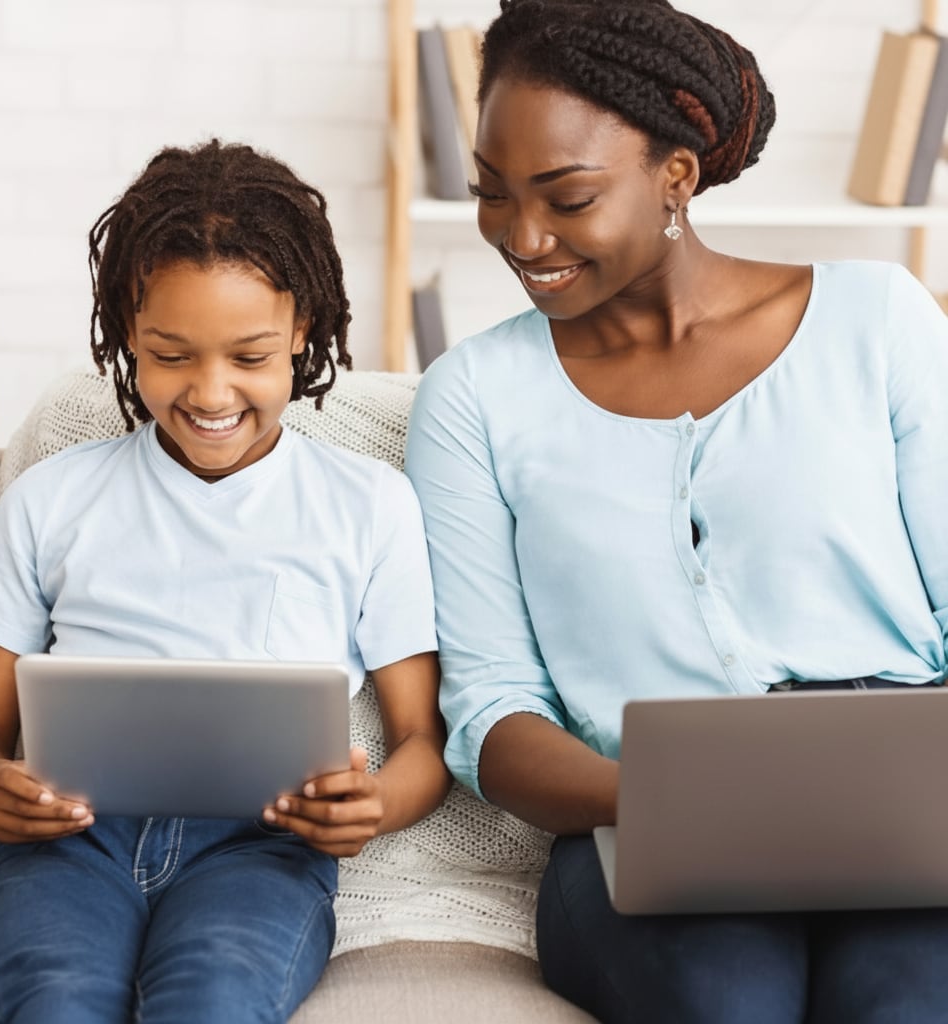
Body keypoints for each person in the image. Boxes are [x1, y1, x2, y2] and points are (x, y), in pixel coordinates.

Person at [403, 1, 948, 1021]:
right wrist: (672, 798)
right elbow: (490, 713)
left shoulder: (878, 320)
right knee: (725, 1000)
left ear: (676, 177)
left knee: (909, 1001)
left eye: (566, 196)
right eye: (490, 194)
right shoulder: (473, 397)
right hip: (636, 815)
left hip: (884, 801)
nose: (522, 237)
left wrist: (902, 785)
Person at [0, 138, 450, 1024]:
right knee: (54, 1004)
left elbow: (422, 746)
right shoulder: (55, 495)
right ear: (127, 334)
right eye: (171, 354)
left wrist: (371, 805)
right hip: (69, 844)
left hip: (263, 849)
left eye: (249, 357)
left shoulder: (370, 504)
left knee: (213, 1001)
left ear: (302, 332)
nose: (211, 392)